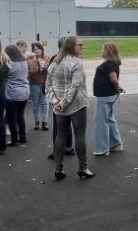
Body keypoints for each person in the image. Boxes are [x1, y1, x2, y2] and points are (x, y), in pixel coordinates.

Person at [46, 36, 93, 180]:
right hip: (76, 104)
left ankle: (58, 169)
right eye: (80, 45)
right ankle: (83, 168)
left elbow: (48, 86)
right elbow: (75, 86)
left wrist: (55, 102)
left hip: (60, 105)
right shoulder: (76, 63)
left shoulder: (55, 62)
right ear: (72, 46)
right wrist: (63, 102)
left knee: (61, 134)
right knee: (79, 135)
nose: (82, 47)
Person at [93, 42, 124, 156]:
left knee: (101, 123)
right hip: (108, 95)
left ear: (108, 51)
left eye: (103, 49)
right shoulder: (112, 63)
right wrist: (117, 88)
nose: (101, 51)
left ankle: (102, 149)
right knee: (109, 119)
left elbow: (113, 79)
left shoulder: (110, 63)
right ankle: (115, 143)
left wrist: (117, 87)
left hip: (105, 96)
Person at [48, 37, 74, 160]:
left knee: (58, 125)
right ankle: (68, 147)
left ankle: (58, 150)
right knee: (67, 122)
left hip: (58, 95)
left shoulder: (55, 59)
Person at [4, 44, 30, 146]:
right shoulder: (24, 62)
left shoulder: (9, 64)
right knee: (20, 116)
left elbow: (3, 77)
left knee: (11, 118)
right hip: (24, 92)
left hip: (12, 93)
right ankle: (23, 138)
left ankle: (14, 140)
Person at [27, 42, 51, 131]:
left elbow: (51, 70)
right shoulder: (30, 59)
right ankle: (36, 122)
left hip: (44, 83)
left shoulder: (47, 57)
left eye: (38, 49)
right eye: (34, 49)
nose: (36, 51)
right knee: (35, 103)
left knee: (45, 103)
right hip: (34, 83)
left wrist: (45, 67)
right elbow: (28, 72)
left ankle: (45, 122)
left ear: (42, 49)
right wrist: (35, 66)